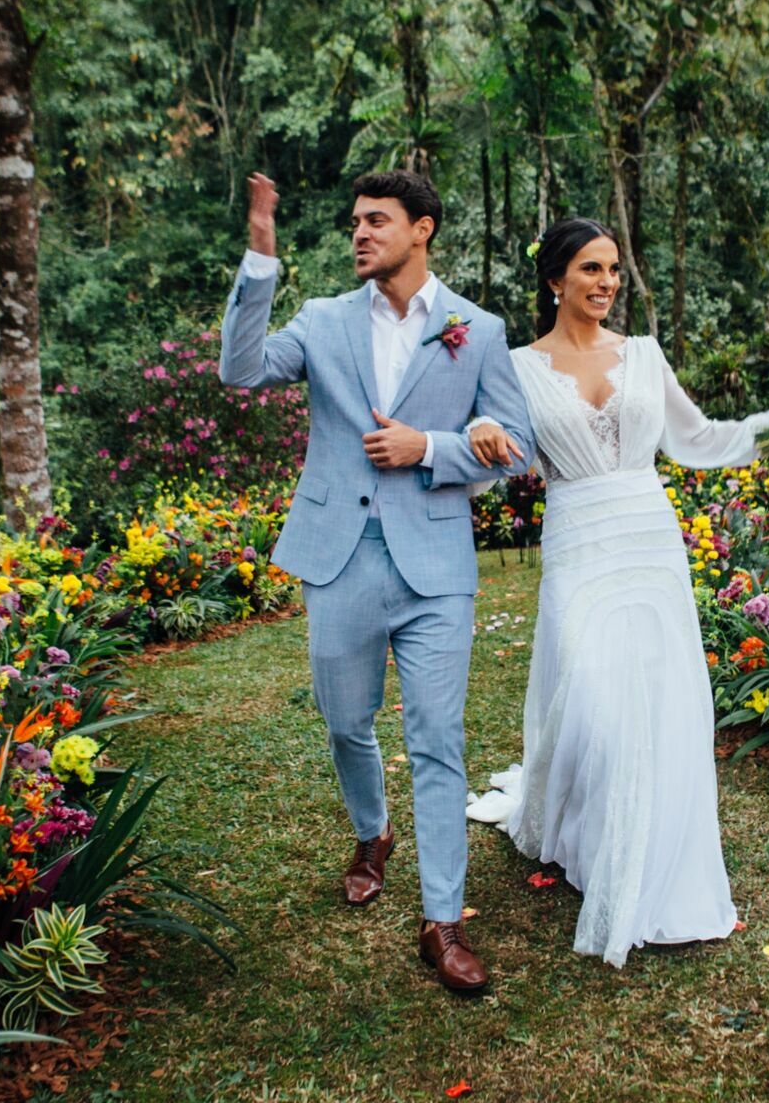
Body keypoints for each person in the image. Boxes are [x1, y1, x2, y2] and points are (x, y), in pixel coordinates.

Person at [462, 218, 769, 968]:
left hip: (648, 540)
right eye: (590, 269)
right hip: (578, 543)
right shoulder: (517, 367)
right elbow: (493, 452)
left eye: (614, 270)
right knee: (591, 697)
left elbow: (701, 439)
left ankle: (652, 859)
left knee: (653, 700)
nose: (607, 283)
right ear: (555, 278)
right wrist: (483, 431)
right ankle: (584, 826)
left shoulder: (646, 356)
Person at [220, 169, 535, 994]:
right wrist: (261, 253)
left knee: (438, 739)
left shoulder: (479, 328)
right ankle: (373, 834)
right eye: (354, 222)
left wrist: (429, 448)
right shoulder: (322, 321)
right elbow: (241, 370)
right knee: (345, 720)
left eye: (377, 221)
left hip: (436, 564)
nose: (360, 233)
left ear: (422, 229)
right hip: (340, 555)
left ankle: (443, 922)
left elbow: (519, 446)